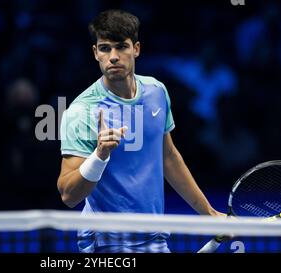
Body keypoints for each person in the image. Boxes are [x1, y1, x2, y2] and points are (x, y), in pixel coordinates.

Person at [57, 9, 224, 253]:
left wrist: (210, 214)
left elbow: (168, 157)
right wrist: (99, 156)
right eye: (104, 48)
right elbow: (68, 195)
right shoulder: (81, 111)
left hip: (154, 236)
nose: (113, 56)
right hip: (106, 242)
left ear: (136, 49)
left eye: (121, 47)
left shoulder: (157, 91)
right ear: (95, 53)